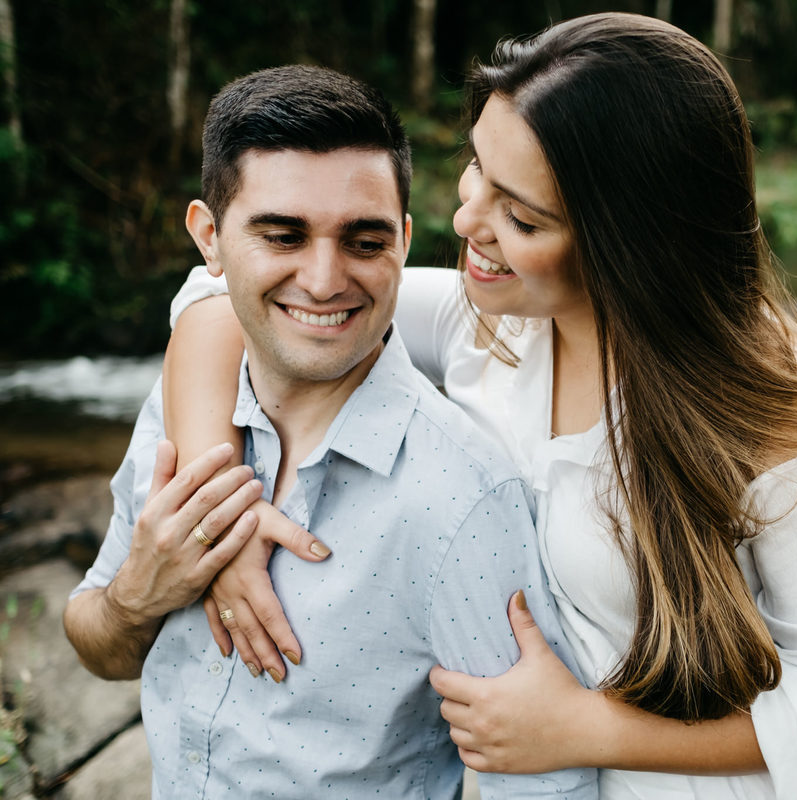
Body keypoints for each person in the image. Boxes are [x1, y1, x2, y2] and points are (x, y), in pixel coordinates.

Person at [165, 14, 797, 800]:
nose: (465, 223)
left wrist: (585, 729)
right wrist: (221, 516)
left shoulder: (788, 422)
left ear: (631, 240)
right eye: (476, 169)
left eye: (522, 218)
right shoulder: (491, 325)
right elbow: (220, 293)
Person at [63, 64, 597, 800]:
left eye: (363, 241)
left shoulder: (462, 501)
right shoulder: (180, 411)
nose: (323, 279)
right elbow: (101, 647)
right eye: (282, 236)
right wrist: (136, 596)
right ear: (208, 239)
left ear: (405, 243)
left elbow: (549, 784)